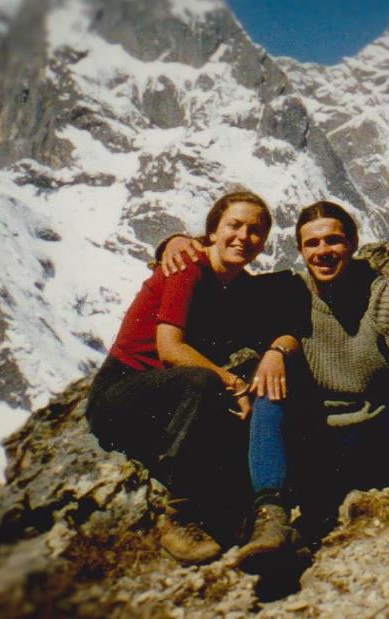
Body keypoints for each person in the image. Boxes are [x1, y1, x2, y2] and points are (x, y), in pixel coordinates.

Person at [162, 200, 389, 539]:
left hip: (380, 440)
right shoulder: (286, 292)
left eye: (333, 241)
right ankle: (271, 519)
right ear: (300, 250)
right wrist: (177, 242)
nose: (323, 251)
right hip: (317, 450)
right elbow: (220, 275)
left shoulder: (380, 294)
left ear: (353, 243)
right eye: (312, 243)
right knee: (270, 384)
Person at [86, 191, 307, 566]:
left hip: (167, 399)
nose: (243, 237)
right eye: (233, 226)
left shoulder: (237, 285)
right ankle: (177, 517)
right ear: (212, 232)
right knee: (204, 384)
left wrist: (275, 352)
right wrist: (232, 384)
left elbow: (285, 327)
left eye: (255, 231)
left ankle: (240, 520)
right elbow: (170, 348)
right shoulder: (188, 267)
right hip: (120, 394)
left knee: (238, 400)